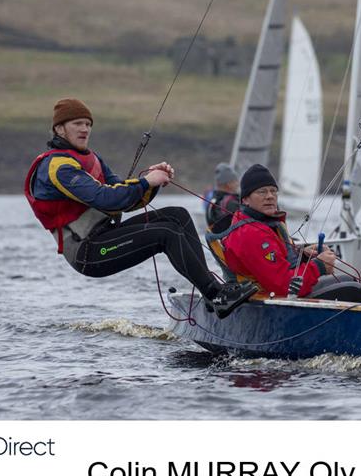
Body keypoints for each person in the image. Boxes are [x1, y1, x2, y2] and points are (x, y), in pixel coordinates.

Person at [24, 98, 257, 318]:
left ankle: (211, 293)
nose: (85, 129)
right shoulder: (57, 166)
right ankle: (217, 295)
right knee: (166, 234)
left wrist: (151, 180)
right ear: (59, 129)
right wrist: (147, 181)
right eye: (77, 124)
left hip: (105, 235)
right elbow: (105, 199)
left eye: (88, 124)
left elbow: (127, 200)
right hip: (88, 252)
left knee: (178, 216)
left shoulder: (91, 159)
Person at [222, 164, 361, 301]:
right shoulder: (250, 234)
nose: (270, 196)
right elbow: (285, 287)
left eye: (273, 191)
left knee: (349, 280)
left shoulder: (263, 224)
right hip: (271, 298)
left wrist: (303, 255)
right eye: (262, 192)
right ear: (246, 199)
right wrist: (319, 266)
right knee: (354, 290)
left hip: (278, 292)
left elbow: (278, 263)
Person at [205, 163, 240, 233]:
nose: (238, 184)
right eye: (236, 181)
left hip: (220, 241)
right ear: (229, 184)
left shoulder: (213, 201)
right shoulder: (230, 203)